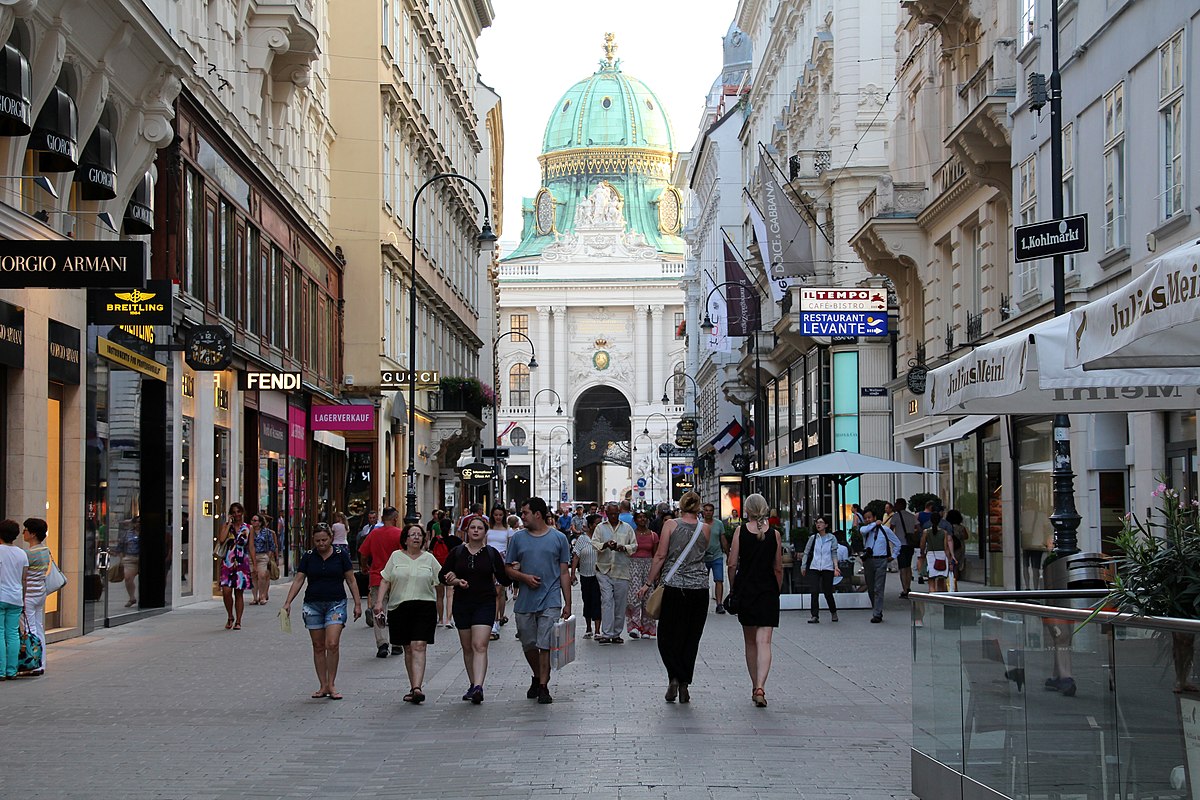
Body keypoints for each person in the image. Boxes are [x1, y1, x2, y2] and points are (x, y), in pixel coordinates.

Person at [636, 491, 709, 704]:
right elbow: (706, 553)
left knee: (667, 637)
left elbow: (660, 555)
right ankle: (684, 682)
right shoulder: (705, 528)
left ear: (681, 506)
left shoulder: (670, 525)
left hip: (674, 587)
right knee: (690, 638)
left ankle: (674, 678)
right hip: (700, 588)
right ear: (698, 508)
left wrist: (648, 583)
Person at [505, 497, 572, 705]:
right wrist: (524, 578)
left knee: (545, 643)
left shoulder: (559, 538)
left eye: (524, 512)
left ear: (538, 514)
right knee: (529, 643)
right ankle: (537, 675)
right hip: (525, 600)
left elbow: (563, 572)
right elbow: (507, 568)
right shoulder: (517, 539)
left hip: (550, 599)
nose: (521, 516)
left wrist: (567, 603)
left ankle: (543, 686)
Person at [282, 526, 360, 699]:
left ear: (331, 538)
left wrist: (357, 603)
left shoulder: (341, 555)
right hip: (313, 605)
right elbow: (299, 580)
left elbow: (351, 580)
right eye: (317, 541)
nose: (321, 544)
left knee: (331, 643)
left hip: (336, 604)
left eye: (324, 540)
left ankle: (332, 684)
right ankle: (323, 685)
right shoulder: (309, 556)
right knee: (318, 646)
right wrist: (287, 602)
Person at [439, 516, 511, 704]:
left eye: (480, 528)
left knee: (480, 645)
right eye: (473, 528)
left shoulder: (491, 553)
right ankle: (472, 684)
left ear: (485, 532)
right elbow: (442, 575)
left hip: (485, 603)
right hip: (462, 604)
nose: (476, 531)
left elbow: (504, 579)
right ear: (467, 531)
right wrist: (454, 580)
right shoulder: (457, 552)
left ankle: (479, 686)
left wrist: (517, 571)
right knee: (468, 647)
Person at [727, 493, 783, 707]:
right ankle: (761, 685)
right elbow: (778, 567)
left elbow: (732, 564)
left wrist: (733, 589)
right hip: (767, 590)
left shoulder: (740, 531)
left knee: (750, 642)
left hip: (747, 590)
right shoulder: (774, 534)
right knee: (765, 642)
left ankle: (754, 686)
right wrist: (776, 589)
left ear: (747, 510)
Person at [374, 523, 439, 703]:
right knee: (408, 648)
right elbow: (385, 580)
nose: (416, 537)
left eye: (419, 535)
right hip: (399, 607)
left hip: (424, 606)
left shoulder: (429, 559)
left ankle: (418, 687)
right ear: (405, 539)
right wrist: (379, 603)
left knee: (419, 645)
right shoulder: (396, 557)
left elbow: (441, 578)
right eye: (412, 534)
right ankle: (413, 686)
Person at [359, 507, 404, 658]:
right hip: (397, 578)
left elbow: (363, 553)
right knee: (397, 611)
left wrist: (364, 566)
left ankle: (382, 643)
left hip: (377, 577)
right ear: (395, 518)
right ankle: (397, 643)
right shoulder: (399, 534)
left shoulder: (374, 534)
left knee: (379, 610)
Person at [593, 502, 637, 644]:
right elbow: (594, 543)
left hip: (621, 569)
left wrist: (623, 547)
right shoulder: (600, 528)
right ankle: (607, 633)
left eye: (615, 514)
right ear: (606, 513)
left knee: (620, 603)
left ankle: (616, 633)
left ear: (619, 513)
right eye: (610, 514)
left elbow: (634, 545)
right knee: (607, 601)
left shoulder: (627, 528)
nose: (613, 516)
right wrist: (605, 545)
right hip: (604, 569)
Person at [19, 519, 51, 676]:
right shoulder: (45, 550)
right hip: (40, 593)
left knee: (30, 630)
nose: (23, 532)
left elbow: (22, 576)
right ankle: (41, 663)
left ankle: (34, 663)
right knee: (39, 628)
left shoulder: (28, 554)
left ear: (32, 534)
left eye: (25, 530)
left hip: (29, 595)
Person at [860, 508, 902, 623]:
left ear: (874, 516)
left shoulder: (885, 530)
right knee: (870, 587)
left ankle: (877, 613)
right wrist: (874, 524)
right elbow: (863, 530)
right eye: (866, 518)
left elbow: (897, 543)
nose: (868, 520)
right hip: (868, 561)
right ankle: (876, 608)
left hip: (881, 561)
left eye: (870, 517)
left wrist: (893, 556)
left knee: (879, 587)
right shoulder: (865, 530)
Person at [218, 503, 255, 629]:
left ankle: (238, 620)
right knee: (226, 592)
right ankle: (230, 615)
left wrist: (253, 564)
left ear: (242, 512)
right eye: (233, 512)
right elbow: (222, 540)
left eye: (238, 511)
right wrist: (228, 524)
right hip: (228, 561)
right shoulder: (227, 526)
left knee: (239, 593)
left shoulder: (248, 528)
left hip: (241, 562)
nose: (236, 514)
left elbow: (251, 547)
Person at [0, 519, 29, 680]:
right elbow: (24, 579)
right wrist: (23, 598)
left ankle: (1, 670)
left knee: (0, 632)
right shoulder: (22, 554)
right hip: (16, 597)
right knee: (12, 633)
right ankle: (12, 670)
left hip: (1, 595)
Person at [800, 515, 840, 623]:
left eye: (821, 522)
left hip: (827, 567)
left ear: (826, 525)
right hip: (815, 566)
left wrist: (836, 567)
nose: (818, 524)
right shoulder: (813, 538)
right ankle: (814, 615)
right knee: (814, 590)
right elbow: (806, 552)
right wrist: (803, 566)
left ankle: (833, 612)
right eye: (817, 522)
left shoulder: (831, 538)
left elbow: (834, 553)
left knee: (827, 591)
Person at [625, 511, 658, 639]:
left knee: (648, 596)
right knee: (634, 595)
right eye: (640, 517)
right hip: (634, 565)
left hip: (649, 565)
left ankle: (647, 628)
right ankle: (634, 625)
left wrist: (657, 572)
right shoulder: (631, 534)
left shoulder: (653, 535)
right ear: (635, 520)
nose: (642, 519)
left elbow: (656, 555)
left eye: (645, 517)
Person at [569, 514, 601, 638]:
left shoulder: (602, 537)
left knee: (597, 600)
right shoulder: (582, 539)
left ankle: (598, 630)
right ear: (590, 525)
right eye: (596, 523)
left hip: (599, 575)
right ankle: (588, 628)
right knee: (587, 600)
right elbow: (576, 556)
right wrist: (572, 574)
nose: (598, 526)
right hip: (585, 574)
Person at [428, 520, 464, 628]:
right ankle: (448, 619)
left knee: (439, 596)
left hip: (438, 569)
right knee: (450, 595)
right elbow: (464, 548)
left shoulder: (435, 540)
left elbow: (430, 553)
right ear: (450, 528)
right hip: (451, 570)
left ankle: (440, 619)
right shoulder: (455, 540)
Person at [485, 505, 513, 641]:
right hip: (488, 560)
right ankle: (496, 619)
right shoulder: (487, 530)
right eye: (495, 515)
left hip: (501, 561)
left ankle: (495, 622)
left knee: (498, 592)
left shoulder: (508, 531)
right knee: (493, 592)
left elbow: (510, 547)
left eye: (500, 515)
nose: (498, 517)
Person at [889, 498, 921, 598]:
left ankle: (905, 589)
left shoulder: (895, 516)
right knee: (908, 566)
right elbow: (919, 528)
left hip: (900, 544)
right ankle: (908, 586)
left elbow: (890, 529)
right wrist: (912, 533)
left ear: (899, 505)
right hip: (910, 544)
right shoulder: (911, 516)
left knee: (902, 568)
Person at [701, 503, 727, 614]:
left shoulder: (719, 524)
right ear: (703, 512)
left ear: (713, 512)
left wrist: (729, 554)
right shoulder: (699, 524)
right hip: (702, 557)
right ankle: (702, 604)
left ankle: (719, 604)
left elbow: (723, 539)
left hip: (717, 556)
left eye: (710, 510)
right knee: (703, 582)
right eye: (706, 510)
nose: (708, 512)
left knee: (719, 580)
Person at [250, 513, 279, 605]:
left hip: (262, 556)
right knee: (253, 576)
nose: (253, 522)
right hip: (251, 556)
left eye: (255, 520)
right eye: (252, 520)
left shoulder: (267, 532)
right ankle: (255, 597)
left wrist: (268, 556)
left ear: (260, 522)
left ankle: (262, 596)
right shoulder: (249, 531)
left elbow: (272, 545)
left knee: (262, 575)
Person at [114, 516, 141, 607]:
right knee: (128, 578)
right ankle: (132, 597)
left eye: (140, 522)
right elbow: (120, 546)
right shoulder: (128, 534)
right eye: (137, 522)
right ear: (133, 523)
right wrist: (122, 559)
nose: (138, 524)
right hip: (130, 558)